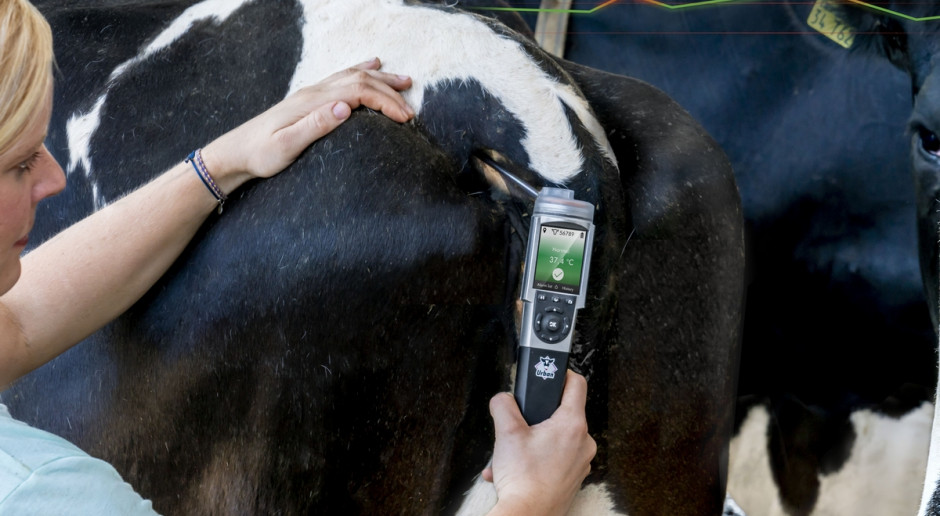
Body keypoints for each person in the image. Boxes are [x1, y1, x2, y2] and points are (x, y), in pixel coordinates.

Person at [0, 0, 596, 514]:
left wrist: (223, 162)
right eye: (21, 163)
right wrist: (529, 502)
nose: (52, 178)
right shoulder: (44, 492)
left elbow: (18, 323)